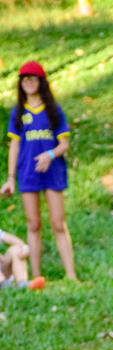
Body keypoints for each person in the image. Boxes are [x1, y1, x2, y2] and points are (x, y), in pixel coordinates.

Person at [0, 61, 76, 280]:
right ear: (20, 84)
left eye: (33, 79)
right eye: (25, 79)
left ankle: (71, 275)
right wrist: (11, 178)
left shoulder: (53, 110)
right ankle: (36, 276)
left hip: (52, 173)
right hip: (27, 173)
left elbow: (64, 144)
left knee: (57, 222)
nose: (29, 83)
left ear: (41, 82)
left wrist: (50, 155)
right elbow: (14, 146)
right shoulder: (18, 112)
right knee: (33, 224)